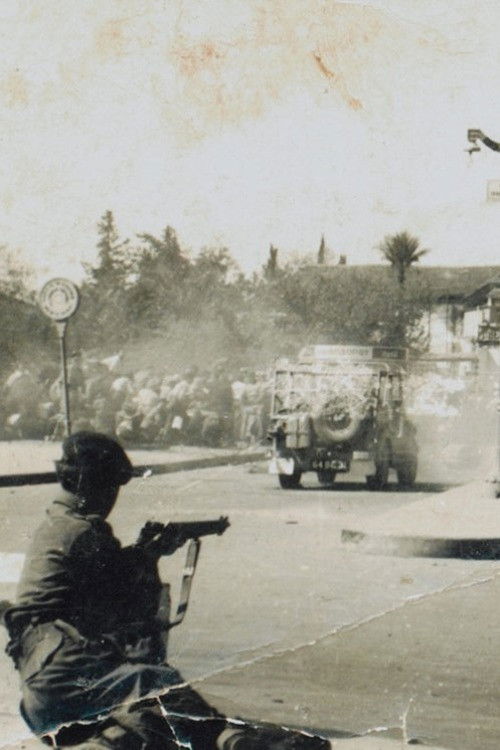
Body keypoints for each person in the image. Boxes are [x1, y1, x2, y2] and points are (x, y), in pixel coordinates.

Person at [4, 432, 330, 750]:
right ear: (94, 485)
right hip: (67, 673)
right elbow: (130, 610)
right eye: (112, 486)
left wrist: (144, 553)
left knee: (146, 723)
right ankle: (226, 738)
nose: (113, 497)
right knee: (157, 684)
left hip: (42, 693)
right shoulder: (85, 532)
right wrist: (148, 556)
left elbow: (96, 587)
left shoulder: (56, 524)